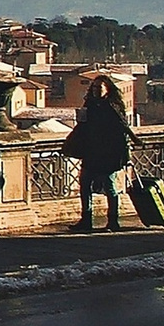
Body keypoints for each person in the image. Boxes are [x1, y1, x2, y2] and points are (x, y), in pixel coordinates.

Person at [66, 75, 137, 232]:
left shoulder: (112, 106)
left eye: (100, 87)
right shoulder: (90, 104)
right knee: (85, 185)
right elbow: (84, 125)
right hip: (92, 151)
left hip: (107, 153)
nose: (96, 90)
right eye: (94, 87)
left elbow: (122, 128)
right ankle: (86, 220)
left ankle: (113, 220)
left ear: (107, 89)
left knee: (110, 187)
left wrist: (127, 150)